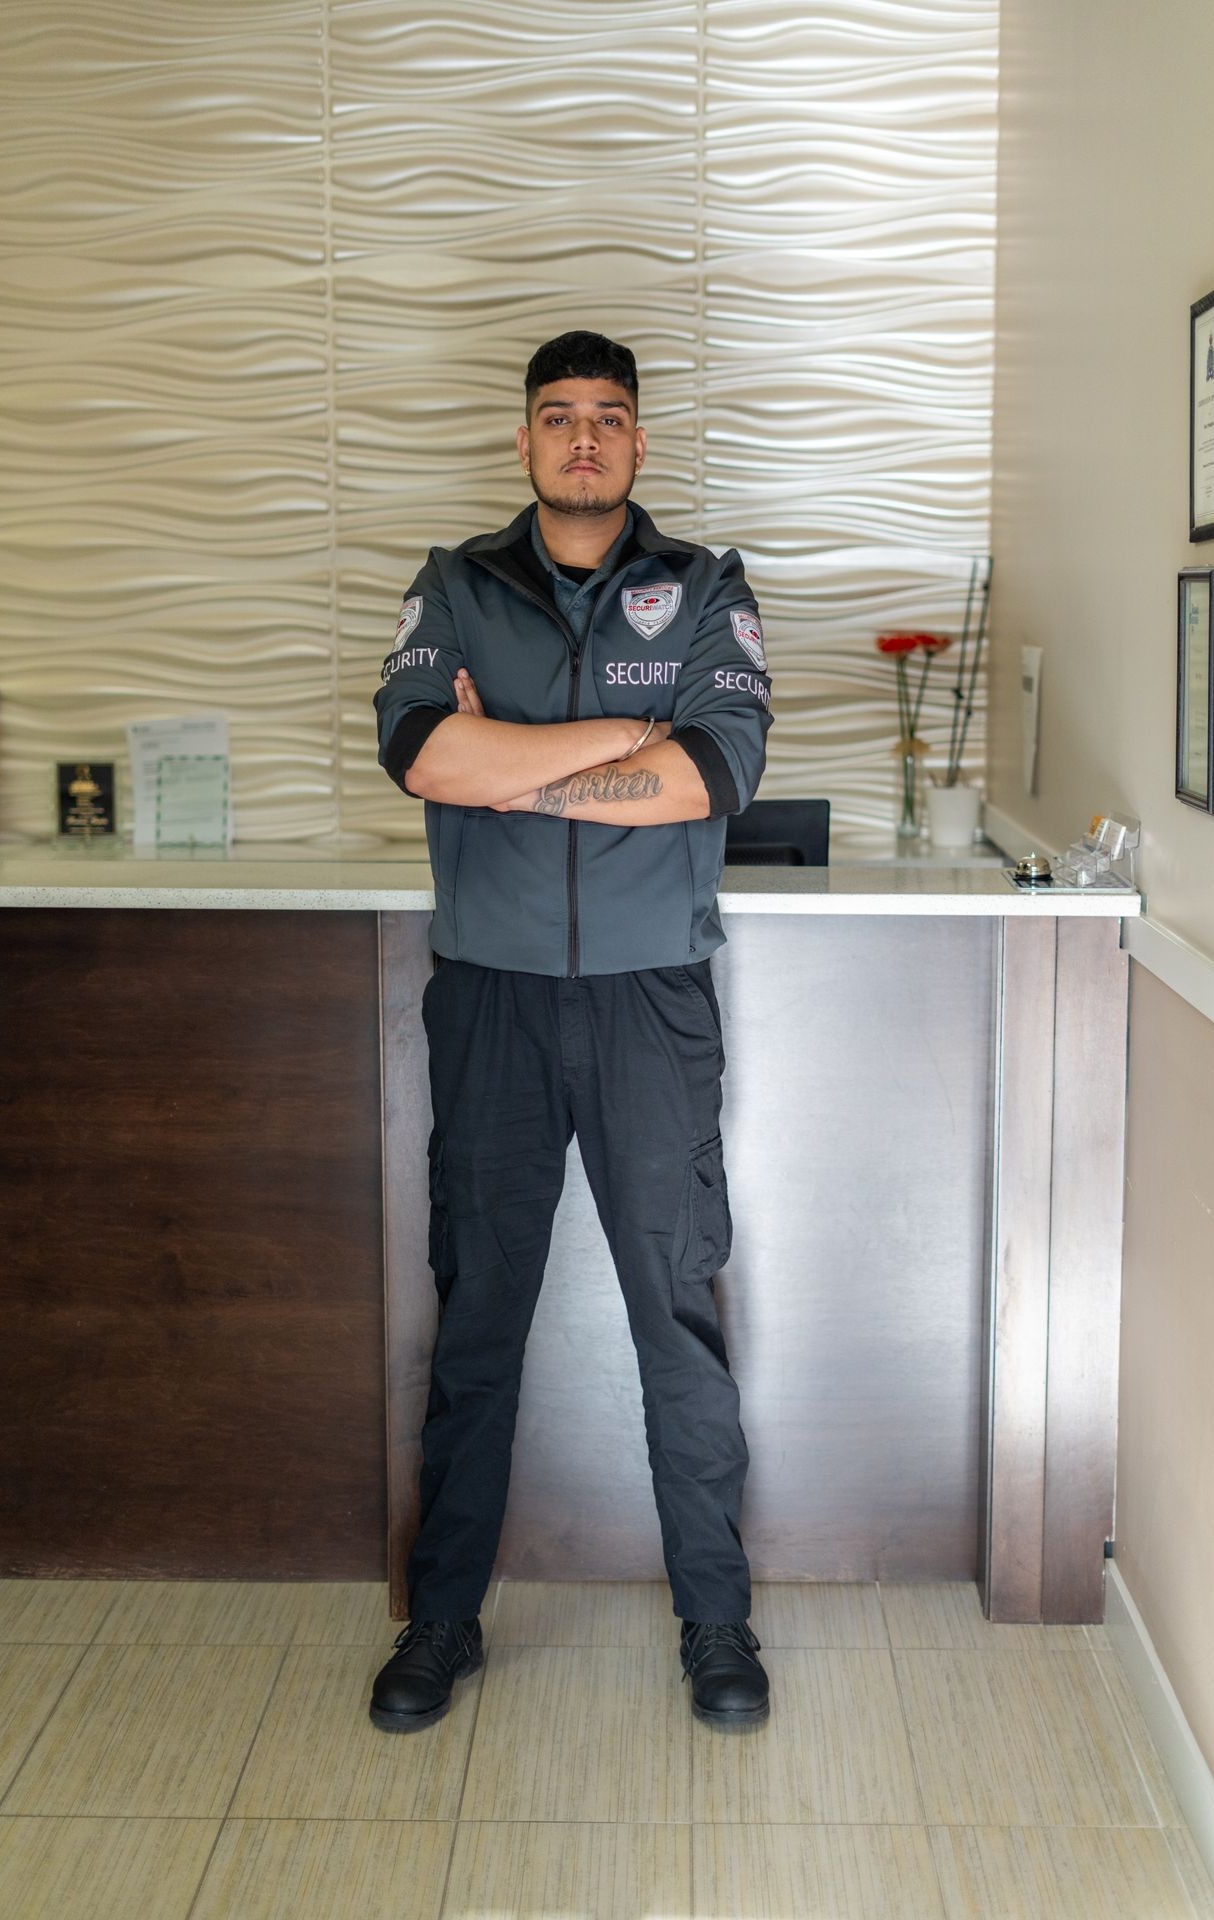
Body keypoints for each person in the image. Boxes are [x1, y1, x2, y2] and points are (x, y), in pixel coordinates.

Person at [369, 329, 775, 1734]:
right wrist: (614, 748)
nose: (585, 440)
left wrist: (518, 772)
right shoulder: (456, 586)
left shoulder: (708, 587)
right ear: (526, 442)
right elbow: (424, 751)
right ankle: (442, 1624)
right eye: (559, 417)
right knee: (479, 1307)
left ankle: (716, 1624)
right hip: (490, 999)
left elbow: (711, 776)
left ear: (640, 443)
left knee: (677, 1314)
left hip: (653, 1002)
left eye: (610, 417)